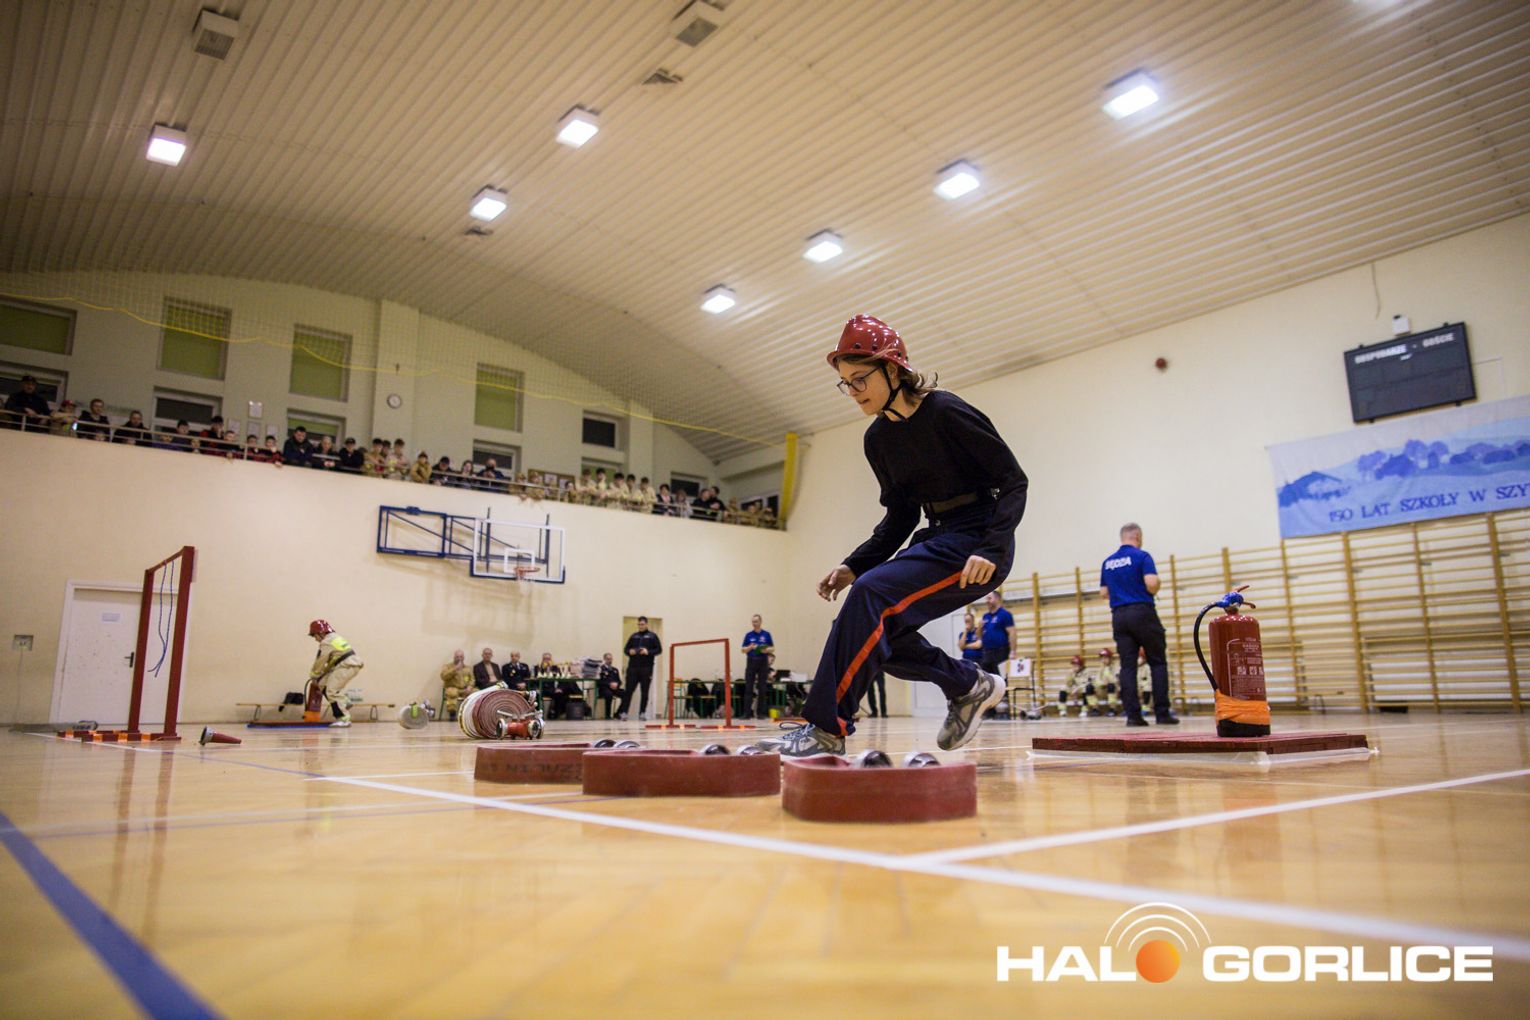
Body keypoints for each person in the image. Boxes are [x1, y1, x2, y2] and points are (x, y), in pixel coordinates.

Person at [757, 315, 1027, 757]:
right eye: (846, 383)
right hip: (936, 536)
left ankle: (825, 730)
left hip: (977, 540)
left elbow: (1013, 481)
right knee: (860, 625)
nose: (853, 391)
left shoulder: (947, 411)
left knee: (870, 599)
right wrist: (854, 564)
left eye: (860, 379)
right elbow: (900, 517)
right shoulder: (878, 439)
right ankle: (968, 684)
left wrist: (992, 547)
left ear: (893, 369)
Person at [1099, 523, 1178, 726]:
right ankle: (1162, 713)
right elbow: (1151, 584)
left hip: (1119, 615)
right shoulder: (1142, 556)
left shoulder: (1108, 562)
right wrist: (1156, 586)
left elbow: (1103, 593)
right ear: (1137, 536)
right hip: (1142, 612)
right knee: (1157, 662)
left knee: (1127, 666)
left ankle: (1133, 716)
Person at [307, 619, 364, 727]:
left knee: (332, 691)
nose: (315, 639)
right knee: (322, 682)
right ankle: (344, 702)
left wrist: (314, 674)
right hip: (348, 664)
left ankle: (343, 718)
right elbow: (332, 660)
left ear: (321, 632)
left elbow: (321, 660)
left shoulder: (326, 642)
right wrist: (320, 676)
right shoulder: (335, 637)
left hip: (347, 665)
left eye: (315, 635)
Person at [617, 616, 662, 721]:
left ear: (646, 624)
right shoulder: (634, 636)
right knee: (628, 691)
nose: (640, 626)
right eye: (639, 624)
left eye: (642, 624)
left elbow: (659, 649)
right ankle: (624, 712)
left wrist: (648, 652)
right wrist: (630, 652)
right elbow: (626, 649)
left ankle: (642, 713)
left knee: (644, 691)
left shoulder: (652, 636)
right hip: (633, 668)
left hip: (646, 668)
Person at [739, 614, 774, 719]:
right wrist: (750, 647)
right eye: (753, 622)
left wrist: (765, 650)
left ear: (760, 622)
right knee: (748, 687)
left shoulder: (766, 634)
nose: (754, 624)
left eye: (756, 621)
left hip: (763, 661)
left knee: (762, 688)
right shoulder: (748, 635)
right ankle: (747, 713)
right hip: (751, 661)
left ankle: (760, 713)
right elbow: (743, 650)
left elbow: (772, 648)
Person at [978, 591, 1016, 680]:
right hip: (987, 652)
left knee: (1001, 679)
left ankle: (1003, 690)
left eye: (989, 598)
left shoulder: (1005, 614)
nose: (987, 601)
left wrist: (1013, 652)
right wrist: (979, 628)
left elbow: (1012, 633)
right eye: (986, 599)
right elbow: (979, 636)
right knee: (987, 679)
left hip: (1001, 652)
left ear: (997, 599)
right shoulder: (985, 616)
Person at [439, 649, 473, 721]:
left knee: (477, 692)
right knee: (451, 693)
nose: (459, 658)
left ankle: (471, 713)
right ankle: (452, 713)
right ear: (454, 657)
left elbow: (472, 679)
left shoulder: (467, 668)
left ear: (463, 658)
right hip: (453, 688)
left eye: (461, 657)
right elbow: (443, 677)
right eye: (457, 657)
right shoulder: (447, 666)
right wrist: (455, 669)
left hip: (465, 689)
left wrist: (470, 686)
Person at [594, 652, 622, 719]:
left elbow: (619, 681)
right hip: (604, 689)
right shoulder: (600, 669)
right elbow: (598, 681)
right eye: (608, 659)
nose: (610, 661)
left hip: (614, 688)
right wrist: (609, 684)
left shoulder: (615, 670)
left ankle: (617, 713)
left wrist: (617, 684)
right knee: (609, 695)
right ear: (604, 659)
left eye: (611, 659)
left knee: (626, 694)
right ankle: (607, 715)